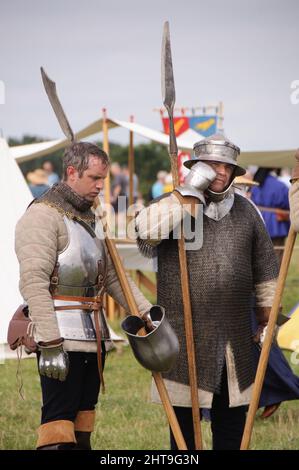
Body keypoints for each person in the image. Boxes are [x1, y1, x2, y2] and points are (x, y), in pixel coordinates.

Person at [135, 133, 279, 450]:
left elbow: (266, 266)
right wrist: (186, 197)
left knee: (232, 429)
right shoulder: (172, 205)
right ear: (198, 166)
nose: (221, 172)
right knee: (184, 435)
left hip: (235, 337)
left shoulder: (247, 211)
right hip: (184, 335)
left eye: (227, 166)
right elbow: (145, 231)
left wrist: (267, 315)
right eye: (214, 165)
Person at [15, 141, 152, 450]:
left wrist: (146, 314)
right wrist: (50, 343)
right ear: (72, 172)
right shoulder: (42, 216)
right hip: (60, 334)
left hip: (94, 335)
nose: (101, 186)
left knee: (83, 424)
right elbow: (33, 282)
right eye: (94, 178)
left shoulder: (90, 217)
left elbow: (114, 276)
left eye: (103, 178)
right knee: (58, 426)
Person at [251, 168, 290, 266]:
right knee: (276, 256)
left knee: (259, 255)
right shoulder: (280, 186)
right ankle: (276, 281)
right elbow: (287, 204)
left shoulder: (256, 185)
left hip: (259, 220)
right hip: (276, 224)